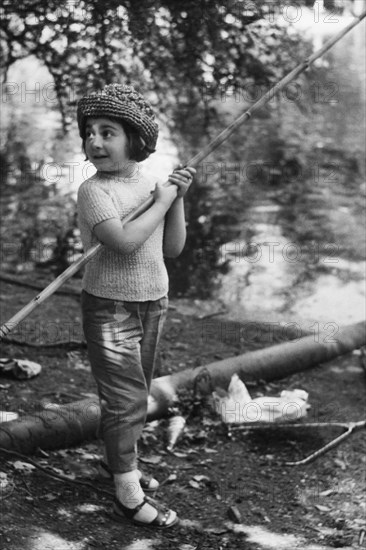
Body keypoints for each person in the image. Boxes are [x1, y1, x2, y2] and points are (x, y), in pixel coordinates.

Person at [76, 83, 195, 529]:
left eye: (108, 132)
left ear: (135, 140)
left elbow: (173, 249)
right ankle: (126, 489)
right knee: (124, 398)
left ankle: (119, 460)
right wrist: (163, 200)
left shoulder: (150, 184)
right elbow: (124, 244)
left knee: (137, 394)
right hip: (110, 306)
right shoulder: (94, 192)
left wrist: (176, 199)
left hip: (154, 301)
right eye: (90, 132)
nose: (95, 141)